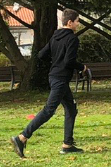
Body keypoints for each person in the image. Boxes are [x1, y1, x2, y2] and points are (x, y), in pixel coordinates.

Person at [10, 9, 87, 158]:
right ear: (70, 22)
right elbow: (69, 61)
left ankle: (67, 144)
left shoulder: (55, 36)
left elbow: (41, 55)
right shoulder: (72, 39)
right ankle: (22, 137)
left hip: (55, 76)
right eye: (77, 21)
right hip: (60, 79)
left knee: (71, 109)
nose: (79, 24)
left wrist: (55, 62)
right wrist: (82, 67)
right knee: (48, 110)